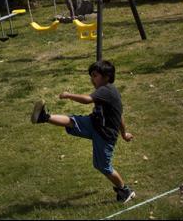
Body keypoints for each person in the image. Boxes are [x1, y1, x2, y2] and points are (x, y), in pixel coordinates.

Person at [31, 59, 136, 204]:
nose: (92, 79)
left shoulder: (107, 90)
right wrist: (124, 134)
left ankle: (125, 190)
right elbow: (119, 116)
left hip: (104, 135)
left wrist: (68, 95)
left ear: (106, 76)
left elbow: (88, 100)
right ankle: (43, 117)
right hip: (94, 123)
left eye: (95, 75)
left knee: (102, 166)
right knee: (73, 121)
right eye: (91, 76)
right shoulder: (106, 91)